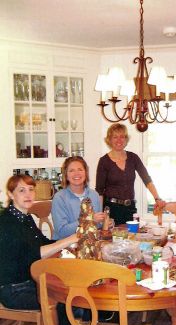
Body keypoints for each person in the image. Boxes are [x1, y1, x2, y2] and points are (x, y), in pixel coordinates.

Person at [0, 174, 78, 310]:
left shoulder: (26, 218)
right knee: (66, 301)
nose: (28, 194)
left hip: (31, 280)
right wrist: (70, 239)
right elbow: (34, 254)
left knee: (74, 289)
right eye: (21, 190)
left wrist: (74, 243)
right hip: (14, 290)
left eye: (31, 189)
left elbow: (44, 242)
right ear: (11, 194)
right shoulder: (7, 222)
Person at [95, 123, 165, 225]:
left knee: (132, 238)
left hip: (130, 208)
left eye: (122, 137)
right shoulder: (104, 161)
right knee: (113, 239)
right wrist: (101, 215)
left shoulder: (133, 158)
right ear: (109, 140)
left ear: (126, 139)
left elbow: (147, 180)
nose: (119, 140)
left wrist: (157, 198)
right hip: (111, 210)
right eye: (115, 137)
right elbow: (100, 191)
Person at [52, 156, 104, 239]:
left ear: (85, 172)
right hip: (66, 246)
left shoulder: (94, 195)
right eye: (71, 170)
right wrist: (89, 220)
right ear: (66, 175)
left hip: (90, 243)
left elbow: (97, 225)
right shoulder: (59, 198)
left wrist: (104, 223)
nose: (77, 173)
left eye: (80, 169)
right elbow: (62, 231)